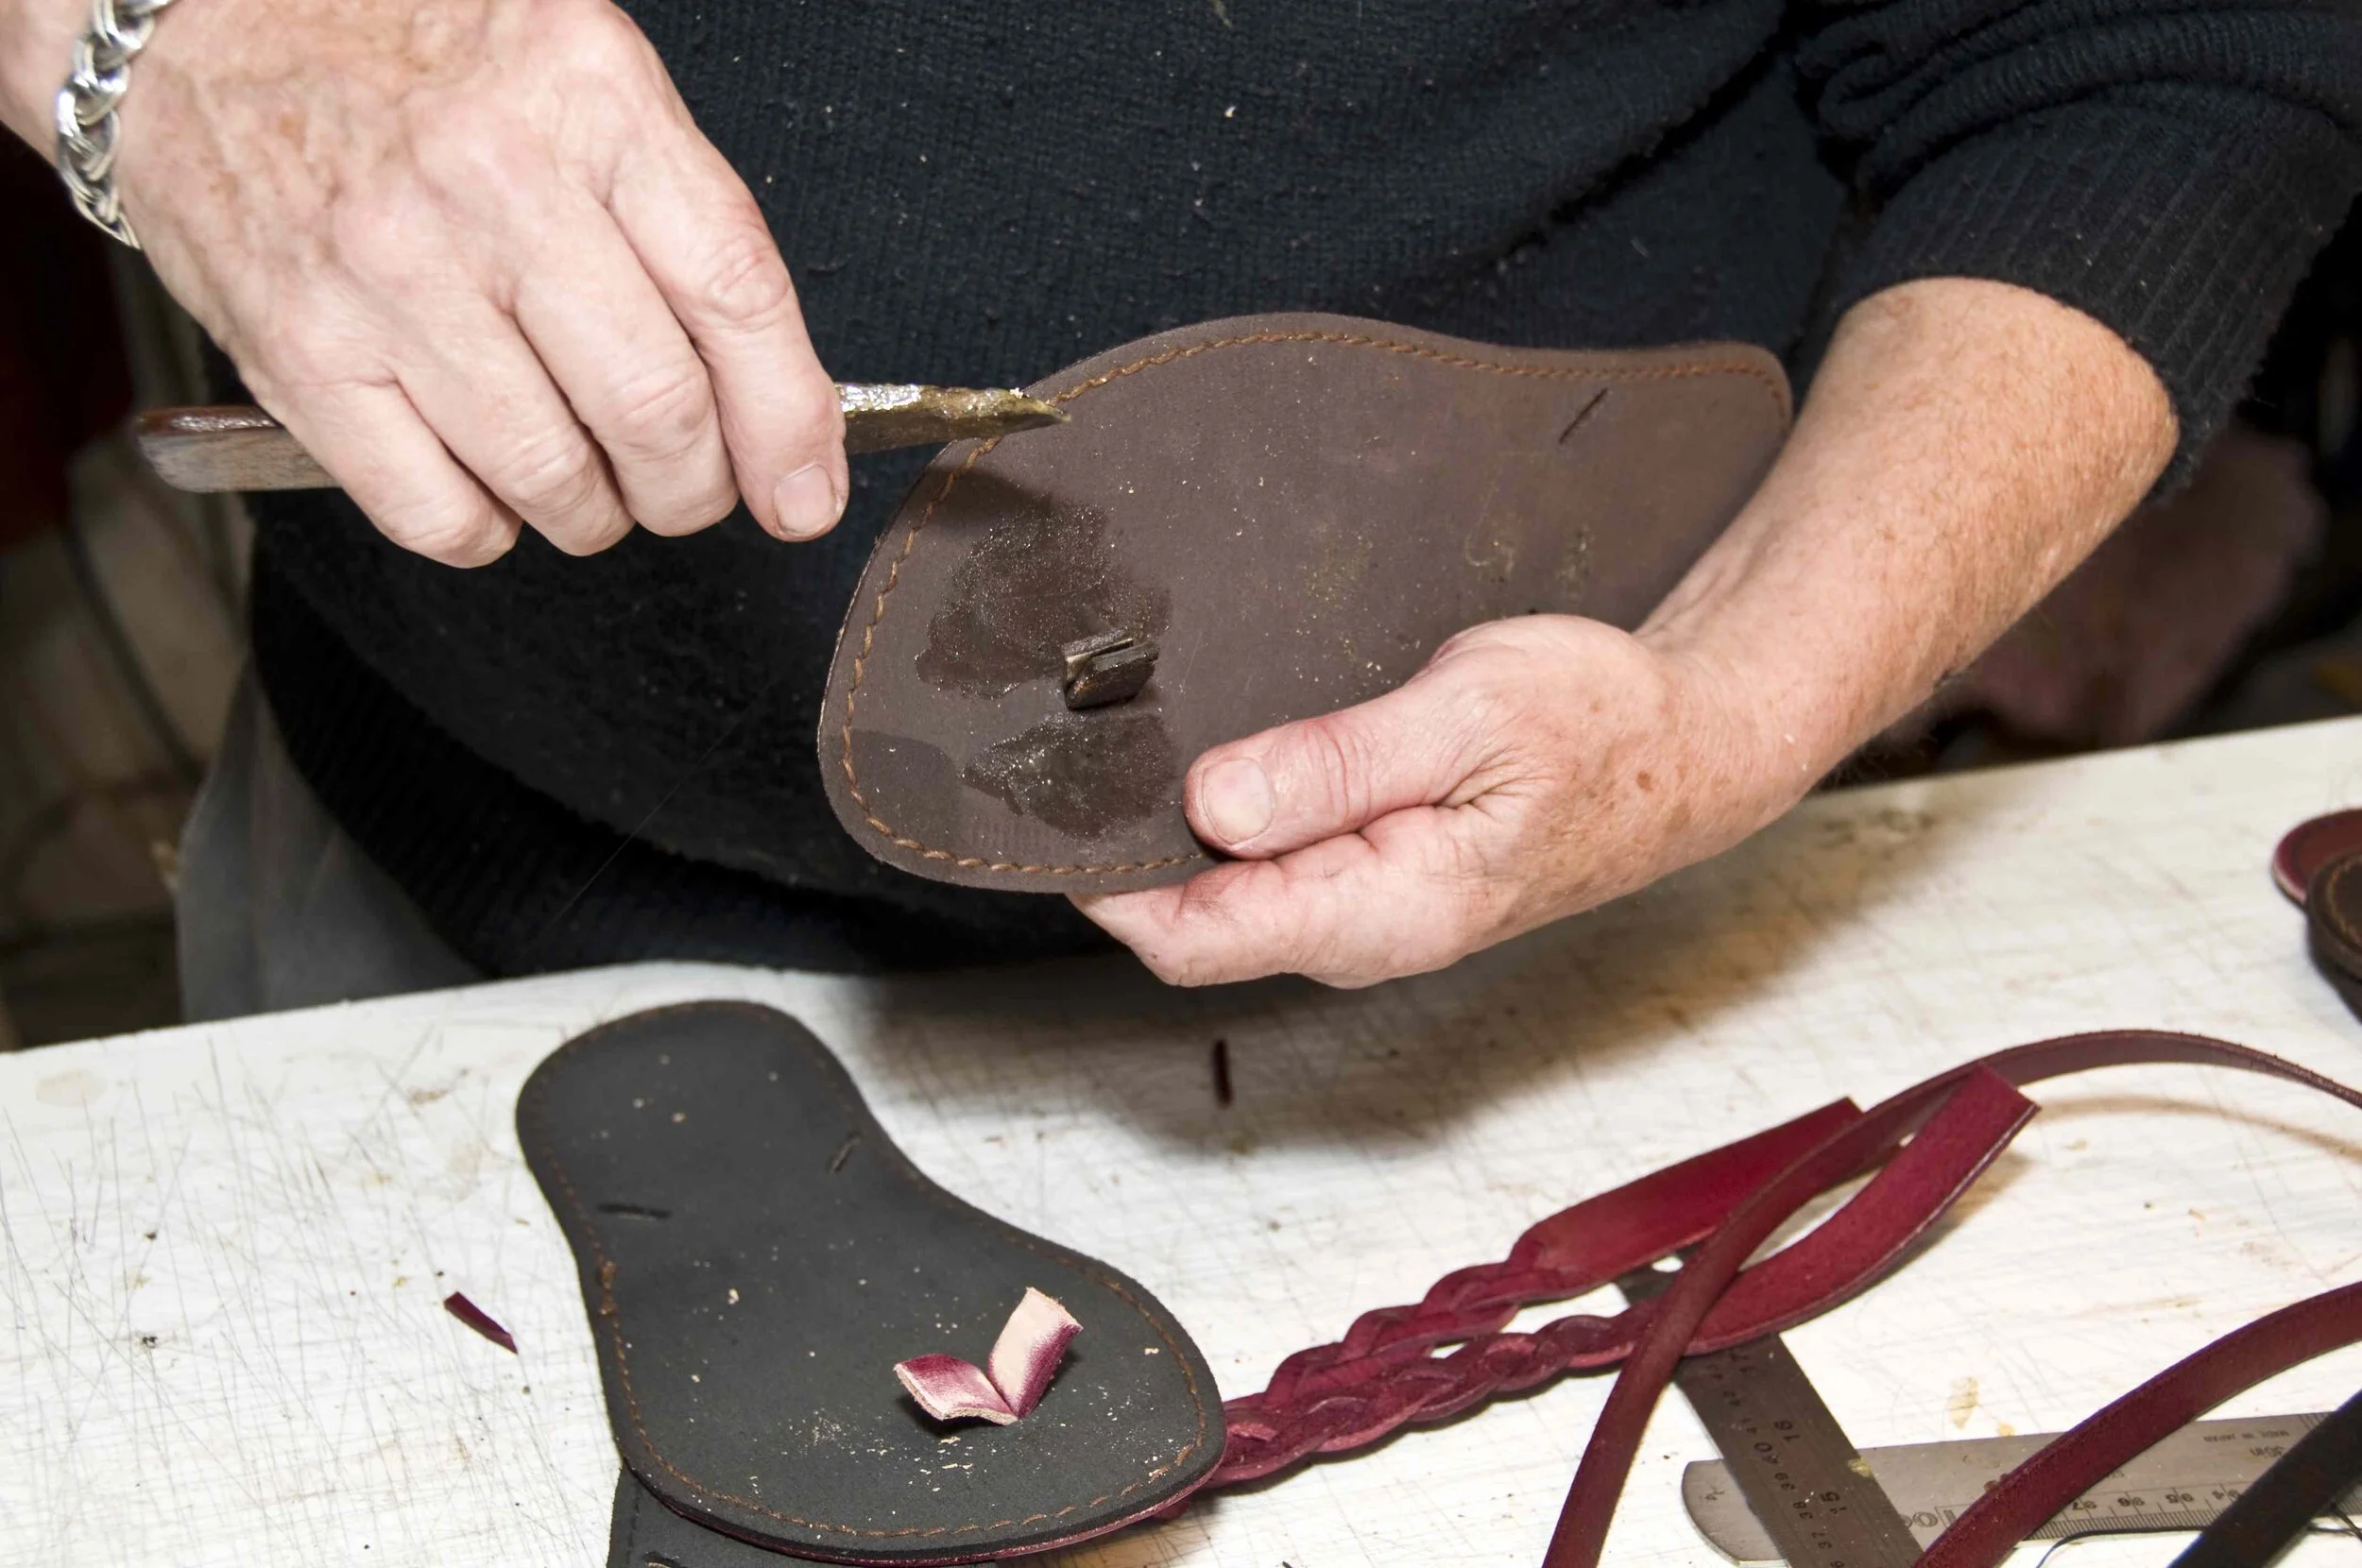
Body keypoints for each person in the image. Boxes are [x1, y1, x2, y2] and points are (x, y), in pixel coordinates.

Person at [4, 0, 2356, 1010]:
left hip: (1598, 950)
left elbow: (2151, 69)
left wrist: (1737, 695)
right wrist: (141, 31)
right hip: (457, 934)